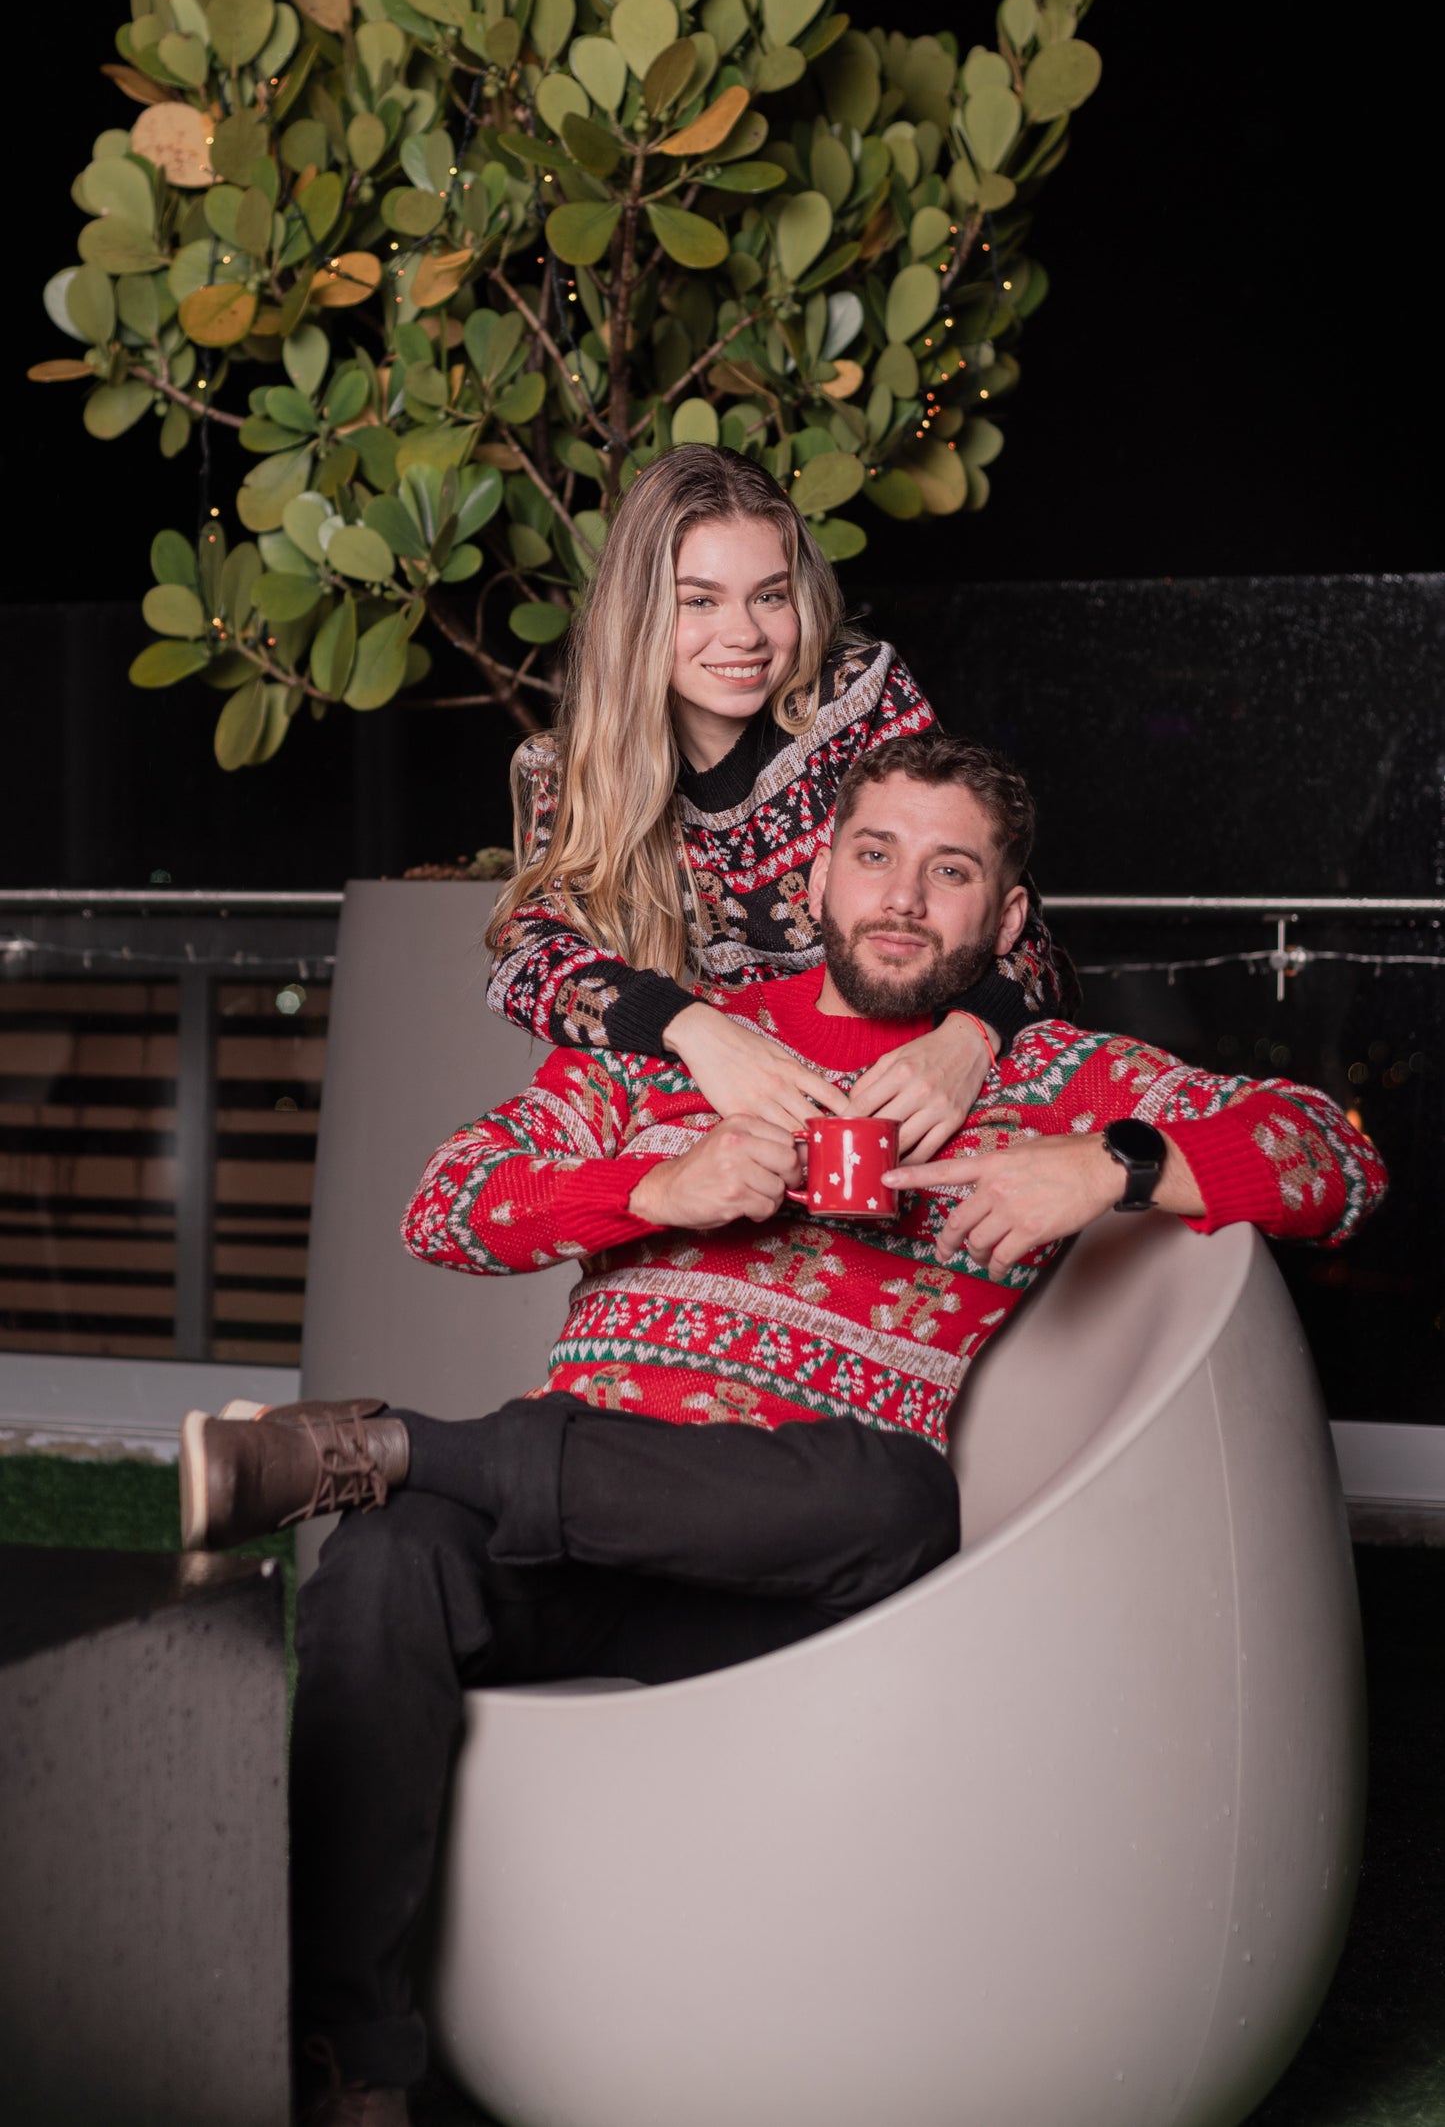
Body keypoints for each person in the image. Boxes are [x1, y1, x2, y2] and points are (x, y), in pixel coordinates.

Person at [178, 732, 1386, 2126]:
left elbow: (1334, 1157)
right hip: (567, 1519)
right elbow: (447, 1200)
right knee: (385, 1569)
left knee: (893, 1501)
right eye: (873, 856)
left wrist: (1104, 1164)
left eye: (950, 874)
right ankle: (351, 2072)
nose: (901, 898)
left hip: (788, 1558)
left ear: (1004, 920)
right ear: (819, 872)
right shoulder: (691, 1045)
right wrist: (661, 1185)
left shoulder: (1048, 1076)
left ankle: (392, 1446)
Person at [484, 441, 1073, 1163]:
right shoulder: (570, 773)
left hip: (911, 1107)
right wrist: (695, 1030)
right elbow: (522, 964)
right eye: (699, 600)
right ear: (638, 613)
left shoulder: (856, 702)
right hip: (730, 1132)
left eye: (769, 595)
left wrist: (968, 1039)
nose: (746, 634)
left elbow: (1018, 929)